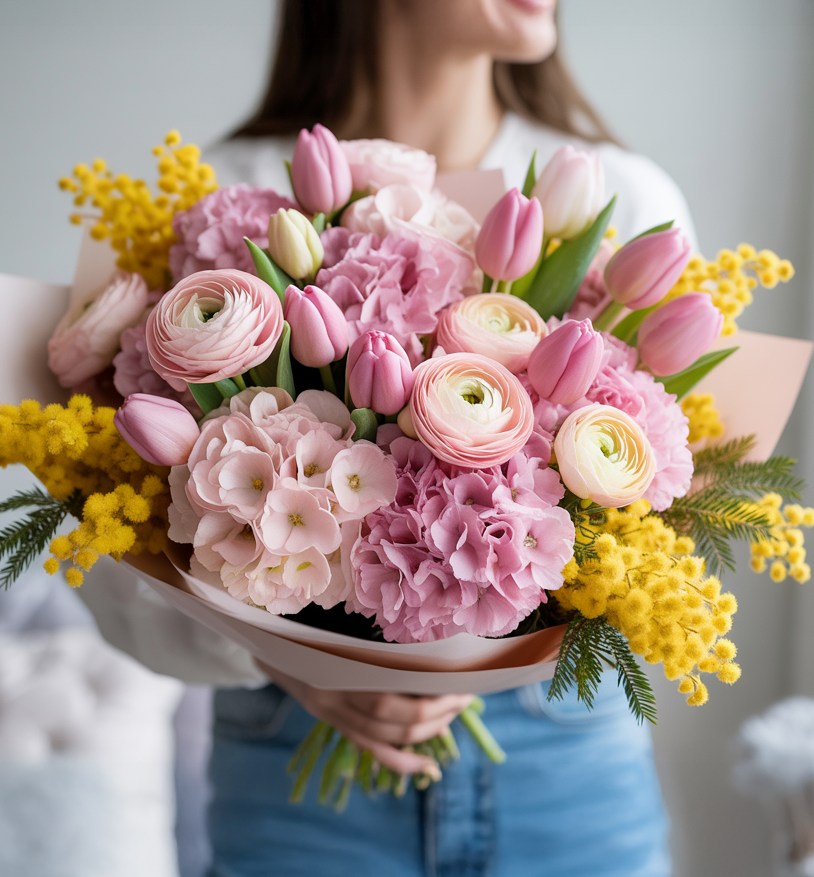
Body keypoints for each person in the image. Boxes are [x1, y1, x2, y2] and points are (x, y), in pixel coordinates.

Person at [79, 2, 695, 874]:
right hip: (295, 760)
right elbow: (113, 564)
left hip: (561, 757)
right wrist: (288, 660)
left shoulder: (621, 199)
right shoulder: (216, 201)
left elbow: (675, 502)